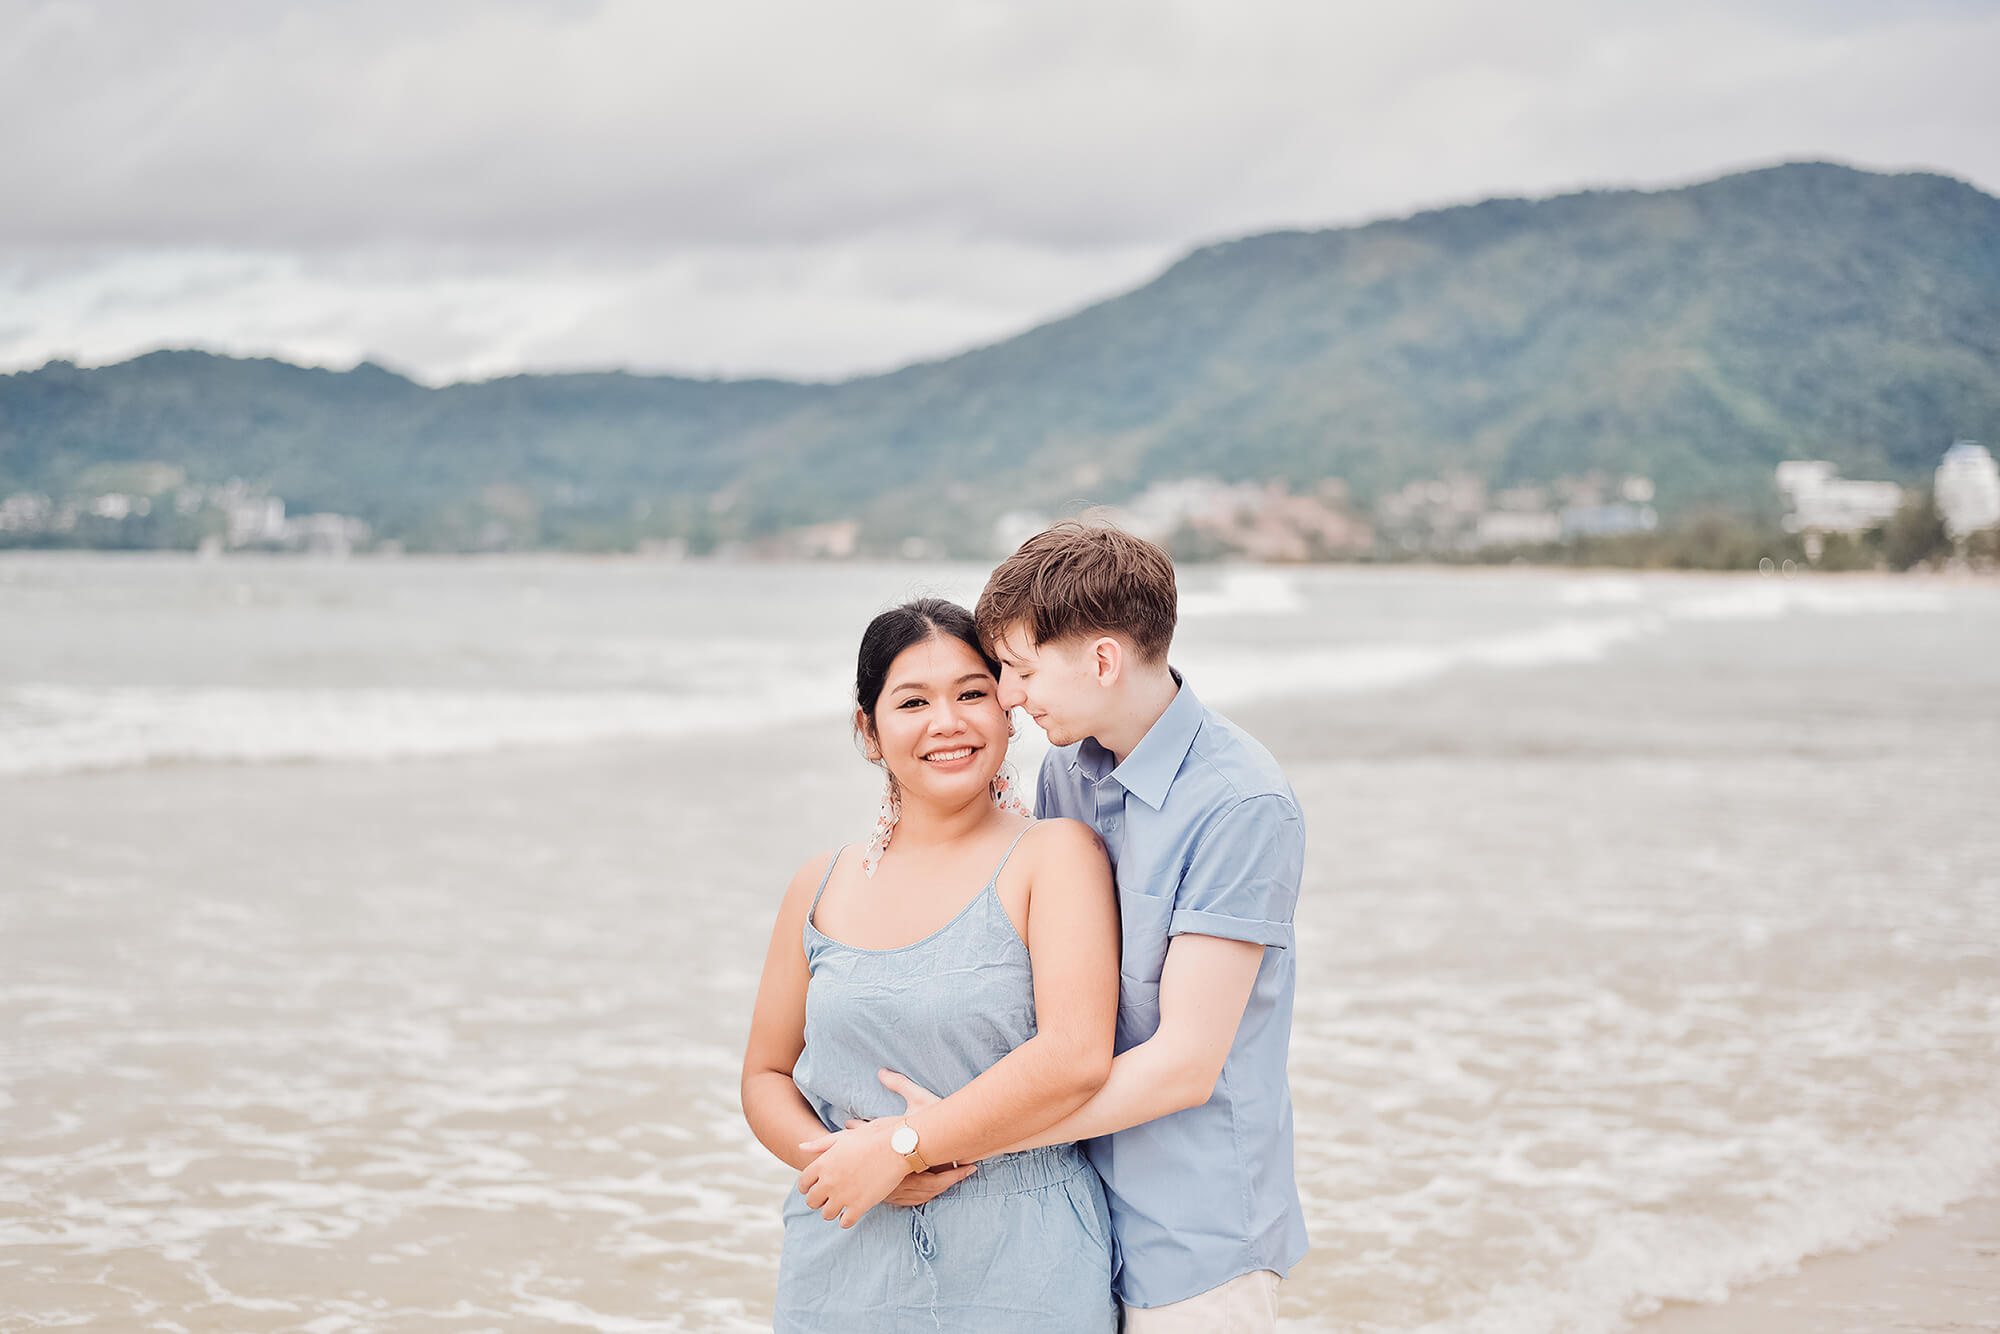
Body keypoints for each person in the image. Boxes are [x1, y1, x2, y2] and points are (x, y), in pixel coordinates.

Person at [853, 524, 1309, 1331]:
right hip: (1073, 1215)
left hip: (1195, 1237)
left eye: (1021, 671)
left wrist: (947, 1139)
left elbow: (1182, 1067)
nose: (1012, 698)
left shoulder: (1242, 804)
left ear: (1102, 661)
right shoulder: (1070, 769)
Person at [740, 597, 1122, 1333]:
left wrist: (904, 1148)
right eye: (913, 701)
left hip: (1022, 1253)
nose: (948, 722)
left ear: (1009, 711)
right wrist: (842, 1163)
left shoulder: (1055, 854)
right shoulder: (820, 884)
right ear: (869, 730)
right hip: (844, 1247)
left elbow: (1076, 1055)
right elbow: (764, 1076)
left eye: (972, 693)